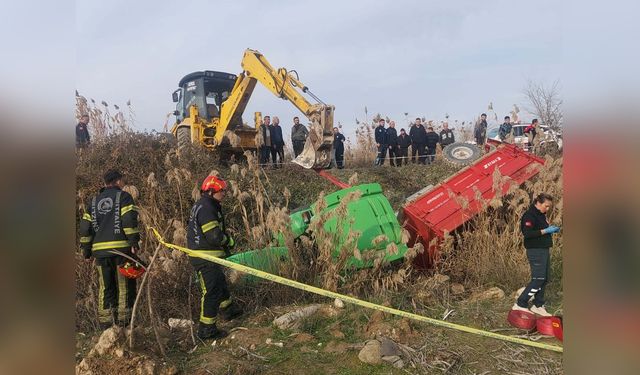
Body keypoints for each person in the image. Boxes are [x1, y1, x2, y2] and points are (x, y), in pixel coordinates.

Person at [79, 170, 140, 328]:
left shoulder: (93, 202)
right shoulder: (124, 197)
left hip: (100, 253)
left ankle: (106, 326)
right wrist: (134, 242)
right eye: (123, 181)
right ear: (118, 181)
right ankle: (124, 324)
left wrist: (86, 251)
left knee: (105, 287)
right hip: (121, 251)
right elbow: (128, 220)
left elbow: (85, 228)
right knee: (124, 287)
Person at [188, 175, 243, 340]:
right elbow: (213, 236)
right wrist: (229, 241)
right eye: (222, 191)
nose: (224, 194)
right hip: (205, 257)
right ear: (211, 191)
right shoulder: (207, 207)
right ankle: (206, 329)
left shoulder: (205, 204)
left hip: (208, 255)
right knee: (211, 291)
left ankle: (229, 310)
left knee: (219, 284)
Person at [513, 193, 561, 317]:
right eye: (546, 206)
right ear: (538, 203)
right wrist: (546, 230)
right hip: (535, 251)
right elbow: (528, 233)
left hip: (544, 249)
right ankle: (520, 303)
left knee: (545, 278)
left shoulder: (541, 215)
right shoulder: (529, 215)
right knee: (538, 279)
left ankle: (538, 305)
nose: (548, 209)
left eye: (549, 206)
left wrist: (552, 229)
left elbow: (540, 231)